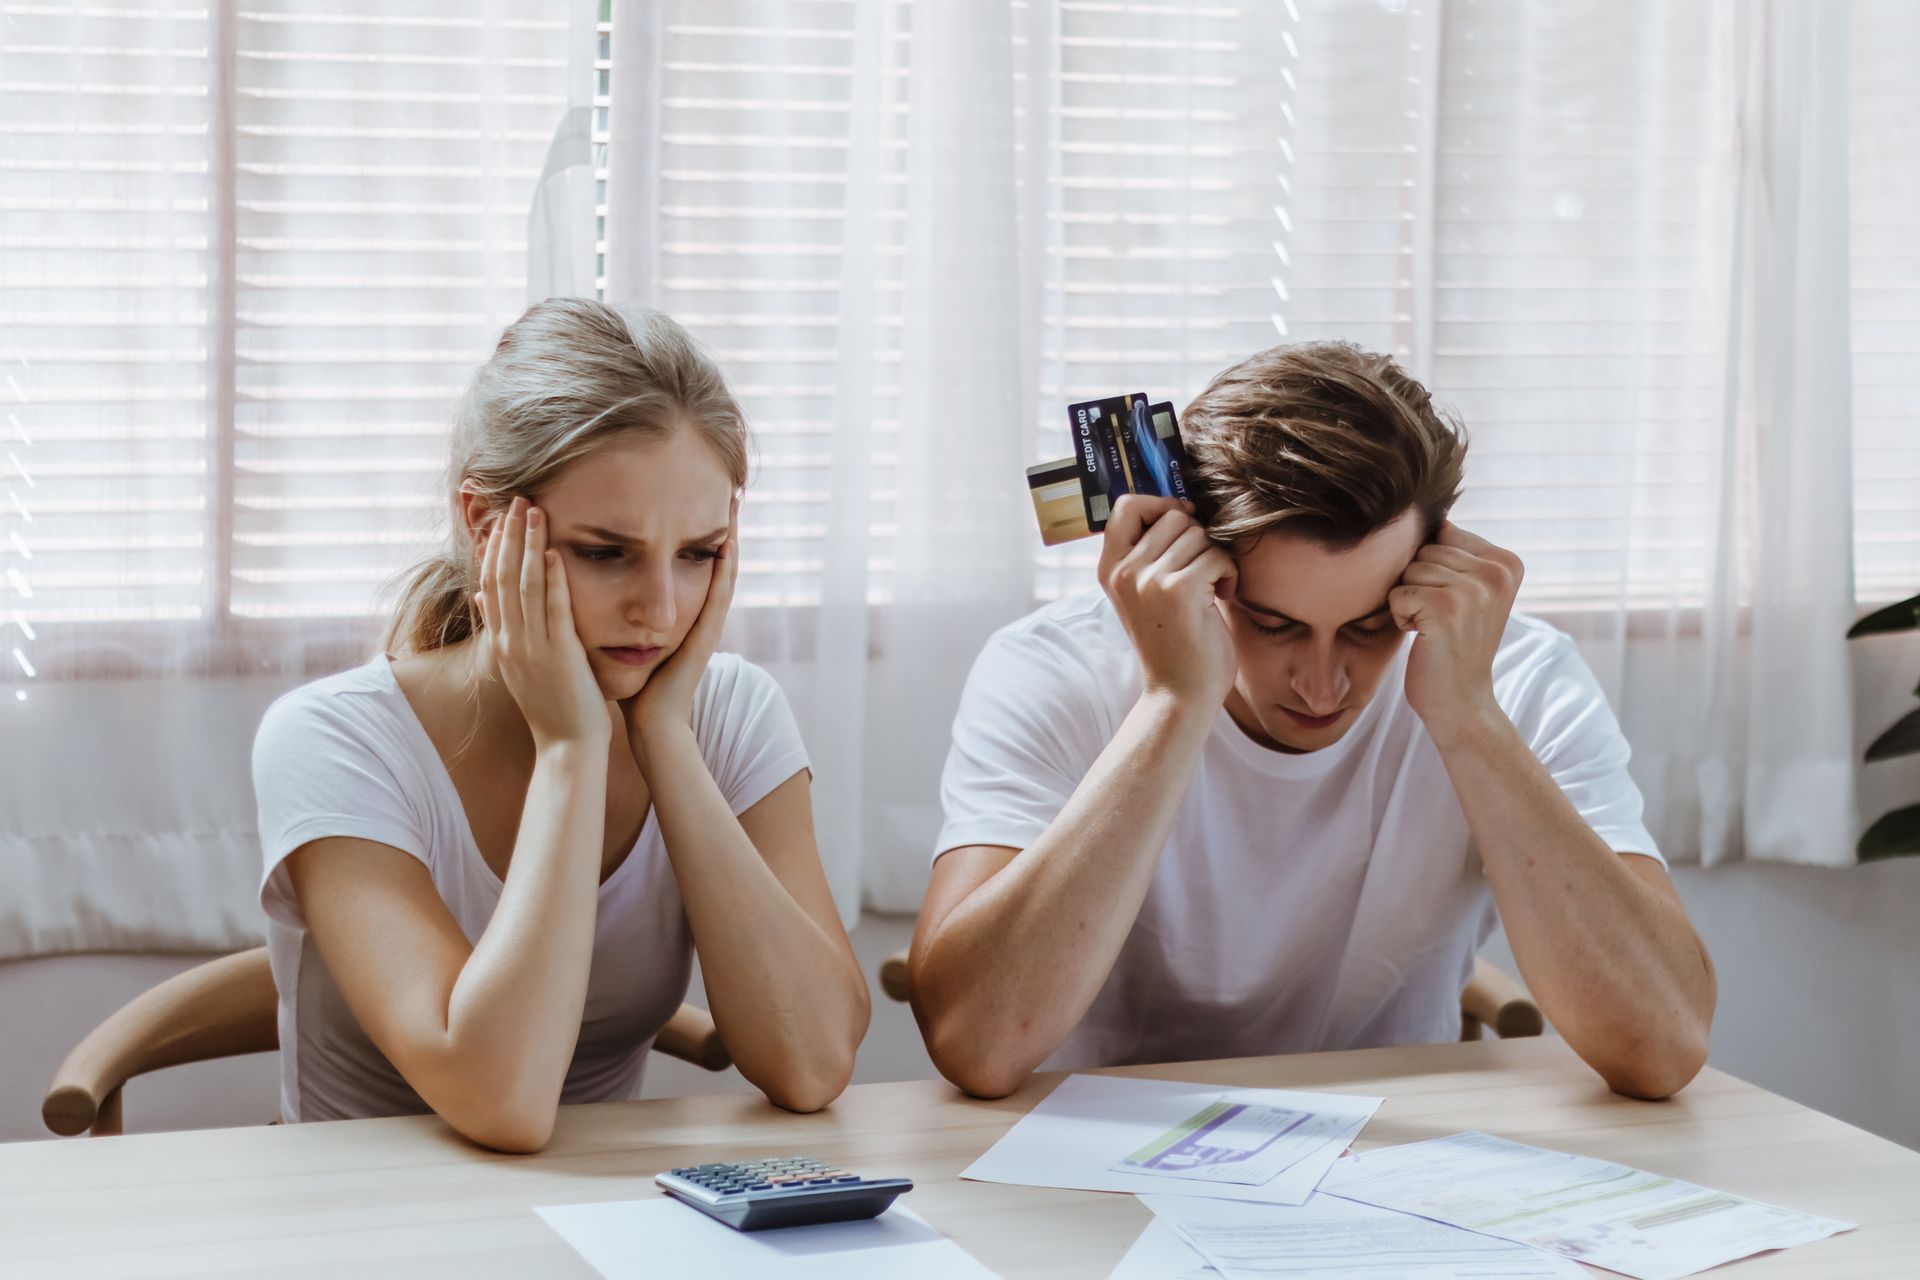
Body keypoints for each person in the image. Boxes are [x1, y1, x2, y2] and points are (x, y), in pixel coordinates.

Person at [908, 341, 1716, 1101]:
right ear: (1193, 566)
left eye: (1369, 627)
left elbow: (1663, 1045)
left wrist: (1470, 718)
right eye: (1275, 623)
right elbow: (978, 1044)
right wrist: (1173, 703)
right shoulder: (1052, 669)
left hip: (1388, 1155)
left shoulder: (1518, 676)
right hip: (1099, 1154)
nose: (1322, 685)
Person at [252, 299, 869, 1151]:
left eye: (698, 555)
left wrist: (667, 742)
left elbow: (812, 1064)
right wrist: (573, 748)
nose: (659, 611)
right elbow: (498, 1098)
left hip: (605, 1221)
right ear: (485, 525)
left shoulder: (729, 713)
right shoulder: (333, 739)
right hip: (367, 1223)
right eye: (604, 552)